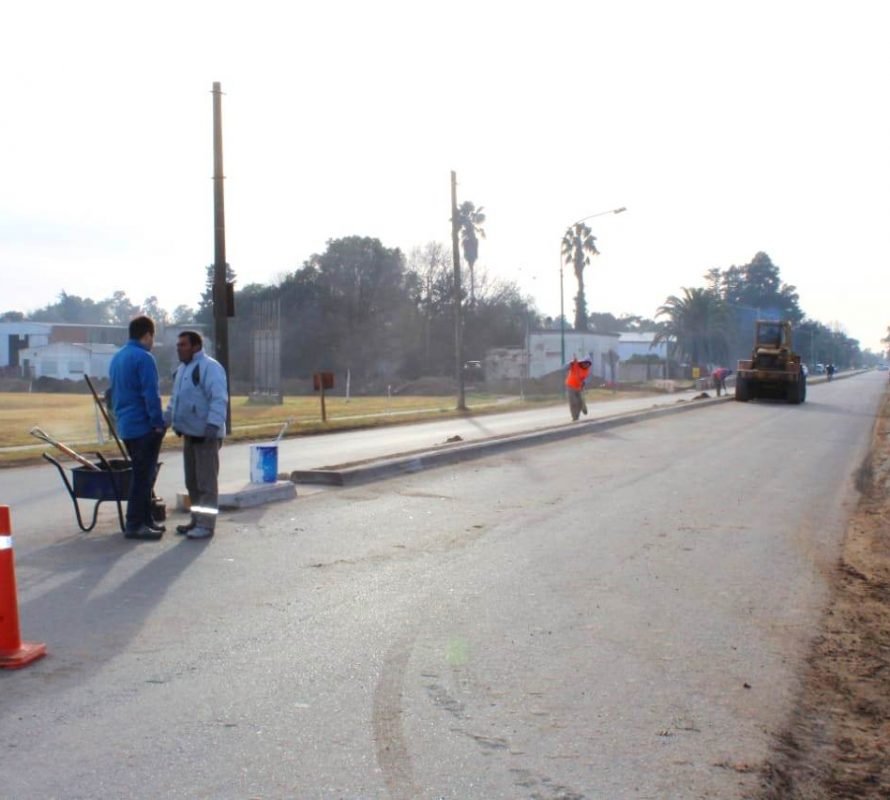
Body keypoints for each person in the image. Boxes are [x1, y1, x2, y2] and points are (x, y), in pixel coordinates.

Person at [165, 330, 229, 540]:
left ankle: (206, 525)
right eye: (178, 345)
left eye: (183, 345)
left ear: (195, 346)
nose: (179, 348)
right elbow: (175, 401)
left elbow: (218, 398)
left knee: (206, 483)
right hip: (189, 434)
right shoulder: (183, 370)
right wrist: (165, 421)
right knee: (192, 481)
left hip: (206, 435)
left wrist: (212, 425)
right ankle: (196, 519)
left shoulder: (210, 368)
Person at [108, 316, 167, 540]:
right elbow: (150, 394)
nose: (153, 341)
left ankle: (146, 519)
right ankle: (134, 524)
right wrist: (157, 422)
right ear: (147, 335)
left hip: (126, 423)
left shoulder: (118, 357)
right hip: (143, 425)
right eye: (153, 337)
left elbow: (113, 392)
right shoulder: (144, 358)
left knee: (143, 474)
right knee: (143, 477)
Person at [565, 355, 592, 421]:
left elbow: (584, 379)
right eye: (585, 363)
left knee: (580, 402)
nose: (586, 365)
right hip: (570, 386)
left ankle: (583, 408)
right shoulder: (575, 365)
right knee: (573, 402)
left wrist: (583, 383)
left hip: (579, 387)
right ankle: (575, 417)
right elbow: (566, 366)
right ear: (582, 362)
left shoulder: (587, 371)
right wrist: (571, 363)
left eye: (588, 364)